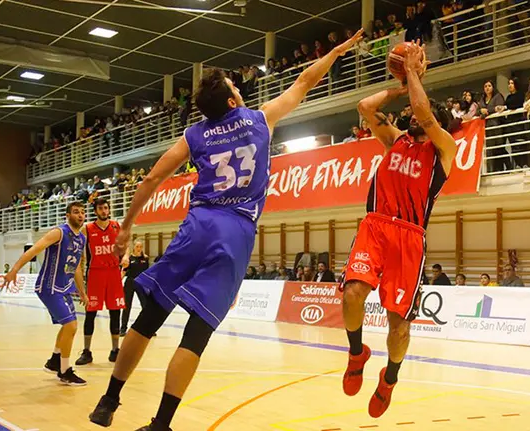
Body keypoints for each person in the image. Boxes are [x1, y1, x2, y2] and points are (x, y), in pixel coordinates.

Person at [89, 30, 364, 431]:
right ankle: (160, 425)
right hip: (234, 233)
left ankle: (108, 401)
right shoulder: (259, 119)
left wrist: (127, 227)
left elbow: (150, 180)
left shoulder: (194, 135)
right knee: (195, 334)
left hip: (197, 225)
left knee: (149, 319)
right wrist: (337, 50)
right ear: (234, 101)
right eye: (236, 86)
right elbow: (304, 82)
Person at [340, 40, 458, 418]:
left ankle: (389, 377)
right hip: (375, 227)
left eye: (413, 107)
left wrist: (411, 70)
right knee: (352, 294)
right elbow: (365, 107)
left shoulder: (443, 149)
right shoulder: (394, 140)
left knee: (398, 326)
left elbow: (425, 113)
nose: (409, 111)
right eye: (406, 107)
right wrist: (401, 86)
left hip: (409, 237)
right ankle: (357, 351)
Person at [4, 202, 89, 385]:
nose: (80, 215)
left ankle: (54, 361)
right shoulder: (58, 232)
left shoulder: (81, 238)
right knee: (71, 326)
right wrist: (14, 270)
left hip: (65, 288)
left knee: (68, 326)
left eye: (83, 212)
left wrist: (82, 292)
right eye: (76, 212)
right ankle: (64, 371)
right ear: (68, 215)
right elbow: (34, 250)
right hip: (49, 287)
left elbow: (76, 268)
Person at [76, 198, 126, 366]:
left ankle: (115, 350)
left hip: (113, 273)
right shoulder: (87, 229)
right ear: (95, 211)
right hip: (95, 273)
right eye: (101, 208)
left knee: (115, 312)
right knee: (91, 313)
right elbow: (80, 253)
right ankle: (87, 351)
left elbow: (126, 244)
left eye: (106, 208)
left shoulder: (116, 226)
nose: (104, 211)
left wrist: (125, 256)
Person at [120, 240, 149, 336]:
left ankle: (147, 327)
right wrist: (118, 282)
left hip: (141, 283)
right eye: (137, 246)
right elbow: (123, 272)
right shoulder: (129, 259)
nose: (139, 248)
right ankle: (123, 328)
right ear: (134, 247)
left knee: (145, 306)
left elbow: (147, 273)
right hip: (130, 283)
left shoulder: (145, 259)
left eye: (141, 246)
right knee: (127, 306)